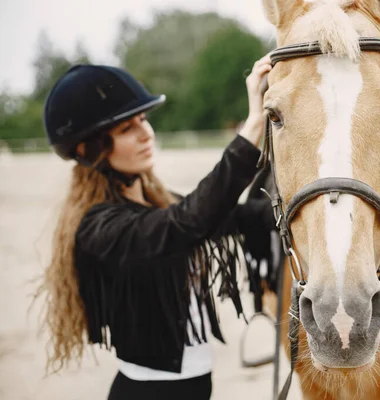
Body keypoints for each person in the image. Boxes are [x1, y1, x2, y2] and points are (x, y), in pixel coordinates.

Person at [35, 55, 275, 399]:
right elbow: (190, 221)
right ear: (90, 148)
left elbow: (243, 217)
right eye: (126, 128)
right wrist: (253, 126)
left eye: (143, 120)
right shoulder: (99, 227)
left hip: (194, 386)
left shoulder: (160, 201)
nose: (146, 133)